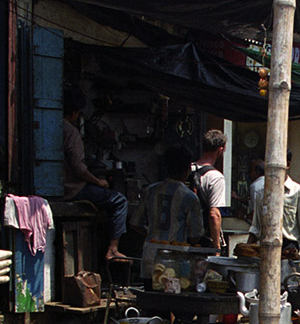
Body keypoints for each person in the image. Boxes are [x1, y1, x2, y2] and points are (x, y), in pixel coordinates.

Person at [62, 90, 129, 260]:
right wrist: (98, 182)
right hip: (72, 189)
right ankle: (113, 249)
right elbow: (78, 168)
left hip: (61, 187)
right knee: (119, 200)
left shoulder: (52, 127)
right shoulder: (70, 132)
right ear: (75, 113)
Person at [130, 145, 204, 279]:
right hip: (175, 260)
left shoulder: (150, 191)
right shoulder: (189, 197)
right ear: (187, 169)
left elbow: (135, 223)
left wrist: (152, 232)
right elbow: (195, 236)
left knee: (151, 295)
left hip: (150, 255)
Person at [247, 151, 300, 263]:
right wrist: (246, 252)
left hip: (289, 250)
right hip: (265, 247)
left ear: (287, 164)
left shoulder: (298, 192)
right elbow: (256, 226)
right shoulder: (262, 193)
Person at [191, 130, 228, 252]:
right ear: (220, 150)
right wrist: (216, 248)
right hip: (203, 240)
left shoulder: (188, 169)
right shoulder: (215, 177)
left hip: (183, 237)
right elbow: (214, 215)